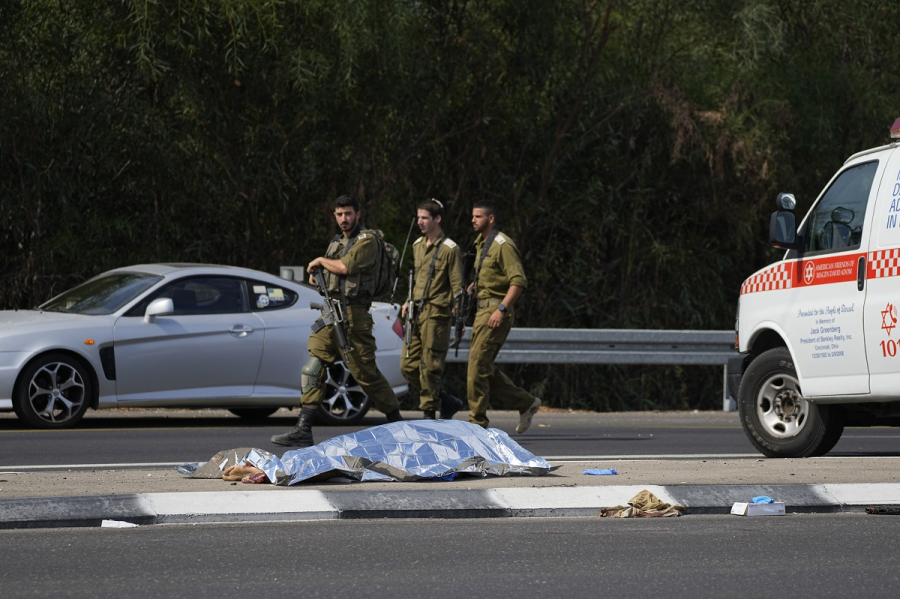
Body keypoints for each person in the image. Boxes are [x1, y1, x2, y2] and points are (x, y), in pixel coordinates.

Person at [271, 195, 402, 447]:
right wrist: (317, 276)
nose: (344, 219)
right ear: (334, 215)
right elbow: (331, 274)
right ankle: (303, 428)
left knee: (366, 374)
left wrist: (320, 261)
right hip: (330, 313)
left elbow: (345, 268)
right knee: (312, 368)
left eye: (348, 214)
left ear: (358, 214)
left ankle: (398, 423)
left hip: (354, 316)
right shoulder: (337, 242)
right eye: (340, 214)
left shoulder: (367, 241)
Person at [466, 200, 541, 432]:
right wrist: (473, 287)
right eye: (473, 216)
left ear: (490, 219)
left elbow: (518, 281)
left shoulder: (502, 244)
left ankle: (477, 424)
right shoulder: (481, 244)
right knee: (482, 366)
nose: (473, 220)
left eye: (478, 216)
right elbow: (492, 278)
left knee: (477, 366)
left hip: (495, 312)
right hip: (482, 310)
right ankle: (526, 403)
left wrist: (502, 309)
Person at [400, 199, 466, 420]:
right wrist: (409, 301)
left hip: (437, 314)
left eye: (425, 218)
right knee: (408, 365)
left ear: (437, 219)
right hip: (416, 313)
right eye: (418, 217)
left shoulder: (450, 249)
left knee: (430, 366)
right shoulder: (417, 245)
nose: (420, 222)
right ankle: (446, 400)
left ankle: (429, 415)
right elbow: (419, 279)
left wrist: (460, 316)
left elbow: (458, 286)